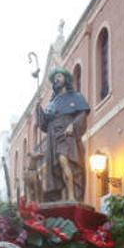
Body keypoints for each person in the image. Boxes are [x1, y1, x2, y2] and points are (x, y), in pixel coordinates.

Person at [36, 68, 90, 202]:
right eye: (55, 78)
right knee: (57, 167)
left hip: (66, 133)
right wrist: (39, 110)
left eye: (59, 76)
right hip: (52, 136)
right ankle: (62, 196)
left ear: (65, 79)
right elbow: (44, 125)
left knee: (65, 160)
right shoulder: (51, 103)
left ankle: (72, 196)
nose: (56, 79)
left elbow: (82, 114)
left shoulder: (76, 97)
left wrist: (73, 125)